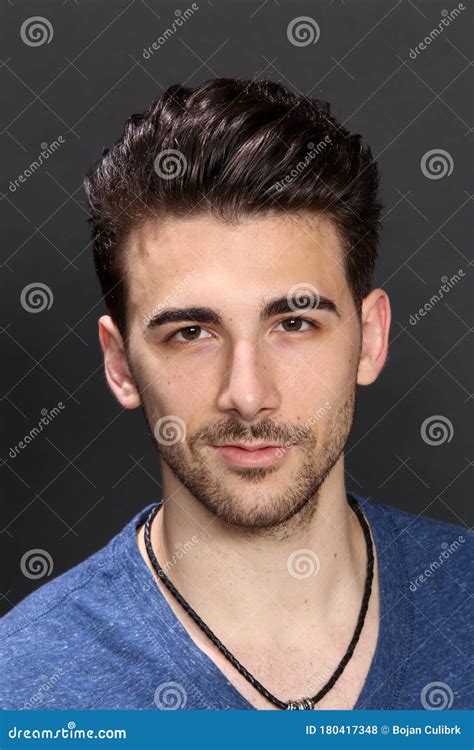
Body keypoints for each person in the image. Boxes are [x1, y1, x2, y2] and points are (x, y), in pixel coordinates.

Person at [1, 78, 472, 711]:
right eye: (191, 333)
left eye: (295, 324)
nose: (247, 396)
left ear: (370, 339)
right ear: (120, 364)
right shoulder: (23, 690)